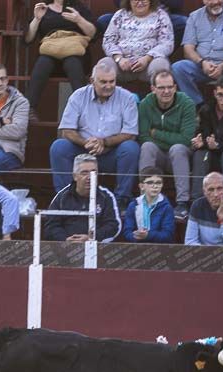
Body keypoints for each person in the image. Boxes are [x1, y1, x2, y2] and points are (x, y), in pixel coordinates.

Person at [50, 58, 141, 208]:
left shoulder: (126, 97)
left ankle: (121, 200)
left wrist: (104, 142)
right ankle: (64, 198)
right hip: (83, 151)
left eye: (112, 81)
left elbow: (130, 134)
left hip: (111, 153)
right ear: (92, 80)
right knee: (59, 147)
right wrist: (86, 143)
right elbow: (66, 130)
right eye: (103, 82)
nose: (108, 86)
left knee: (131, 148)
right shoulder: (78, 96)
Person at [138, 69, 196, 218]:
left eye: (170, 87)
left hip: (178, 157)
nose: (166, 91)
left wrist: (156, 133)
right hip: (157, 156)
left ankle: (182, 203)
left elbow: (186, 139)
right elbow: (144, 136)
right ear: (153, 89)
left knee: (177, 148)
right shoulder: (145, 104)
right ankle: (146, 199)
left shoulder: (187, 103)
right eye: (162, 88)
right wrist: (167, 139)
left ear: (175, 87)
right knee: (147, 147)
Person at [23, 0, 97, 117]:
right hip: (50, 54)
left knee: (73, 63)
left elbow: (93, 34)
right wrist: (37, 19)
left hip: (74, 54)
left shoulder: (78, 7)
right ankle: (29, 109)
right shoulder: (43, 8)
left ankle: (84, 110)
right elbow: (28, 39)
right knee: (43, 62)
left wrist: (79, 20)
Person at [174, 0, 223, 105]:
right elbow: (188, 48)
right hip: (201, 66)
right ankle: (198, 106)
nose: (215, 2)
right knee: (178, 67)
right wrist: (202, 63)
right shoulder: (194, 17)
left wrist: (222, 66)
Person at [44, 153, 122, 242]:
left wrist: (92, 238)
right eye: (84, 173)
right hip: (66, 249)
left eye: (93, 172)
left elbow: (114, 226)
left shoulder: (106, 196)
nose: (89, 177)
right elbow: (51, 226)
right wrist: (65, 240)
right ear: (75, 176)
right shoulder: (62, 196)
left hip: (97, 249)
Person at [101, 0, 175, 87]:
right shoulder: (120, 15)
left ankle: (158, 99)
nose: (140, 3)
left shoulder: (161, 15)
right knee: (104, 64)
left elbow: (167, 43)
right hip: (122, 65)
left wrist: (147, 58)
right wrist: (119, 59)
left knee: (161, 65)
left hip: (150, 63)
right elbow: (108, 40)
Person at [185, 170, 223, 245]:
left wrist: (222, 220)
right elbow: (190, 242)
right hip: (204, 254)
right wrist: (207, 255)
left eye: (219, 188)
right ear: (204, 192)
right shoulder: (197, 206)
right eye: (211, 190)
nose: (216, 194)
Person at [122, 165, 176, 242]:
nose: (155, 186)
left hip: (160, 249)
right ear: (141, 186)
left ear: (162, 185)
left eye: (158, 183)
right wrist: (136, 236)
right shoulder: (133, 205)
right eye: (150, 182)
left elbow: (168, 235)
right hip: (136, 247)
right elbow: (127, 232)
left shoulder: (167, 207)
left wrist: (148, 235)